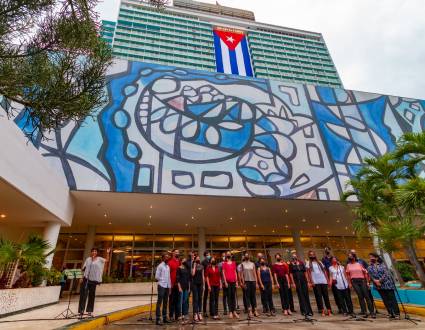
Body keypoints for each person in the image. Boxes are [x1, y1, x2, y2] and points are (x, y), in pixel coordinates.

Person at [367, 253, 400, 319]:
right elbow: (370, 275)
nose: (371, 258)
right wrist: (375, 281)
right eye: (370, 257)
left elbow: (386, 274)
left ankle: (396, 313)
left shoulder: (383, 265)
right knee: (385, 300)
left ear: (376, 258)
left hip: (387, 284)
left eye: (372, 257)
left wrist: (380, 281)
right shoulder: (370, 267)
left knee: (392, 299)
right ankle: (390, 313)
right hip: (378, 286)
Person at [78, 247, 108, 317]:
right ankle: (81, 311)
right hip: (86, 279)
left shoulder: (100, 259)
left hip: (93, 280)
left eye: (95, 251)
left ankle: (89, 311)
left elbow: (107, 260)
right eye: (93, 251)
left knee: (91, 296)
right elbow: (84, 268)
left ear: (97, 252)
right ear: (91, 252)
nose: (94, 252)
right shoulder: (88, 259)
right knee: (83, 296)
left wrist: (108, 253)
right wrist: (81, 277)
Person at [346, 251, 375, 318]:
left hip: (362, 281)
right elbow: (348, 275)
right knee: (360, 297)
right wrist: (349, 283)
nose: (350, 257)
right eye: (349, 256)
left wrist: (367, 282)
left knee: (367, 296)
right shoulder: (348, 265)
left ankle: (372, 312)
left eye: (351, 256)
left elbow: (365, 273)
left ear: (354, 257)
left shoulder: (359, 264)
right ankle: (364, 312)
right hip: (354, 282)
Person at [306, 250, 332, 316]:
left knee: (326, 296)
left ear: (315, 255)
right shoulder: (308, 263)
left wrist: (327, 280)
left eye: (313, 254)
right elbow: (308, 273)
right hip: (316, 282)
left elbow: (324, 271)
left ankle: (329, 310)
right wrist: (311, 281)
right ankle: (322, 310)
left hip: (323, 281)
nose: (312, 255)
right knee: (319, 296)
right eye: (311, 255)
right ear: (309, 256)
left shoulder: (319, 262)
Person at [289, 251, 313, 317]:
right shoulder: (291, 264)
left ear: (297, 256)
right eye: (293, 256)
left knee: (306, 295)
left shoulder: (301, 262)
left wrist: (308, 281)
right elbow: (290, 274)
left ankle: (309, 311)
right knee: (300, 296)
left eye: (295, 256)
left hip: (303, 280)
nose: (294, 257)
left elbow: (305, 272)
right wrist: (293, 282)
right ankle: (304, 311)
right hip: (297, 281)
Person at [322, 247, 342, 314]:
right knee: (335, 293)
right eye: (326, 250)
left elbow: (339, 265)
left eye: (328, 250)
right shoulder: (324, 259)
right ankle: (340, 308)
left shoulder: (334, 258)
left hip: (338, 276)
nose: (327, 251)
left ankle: (343, 307)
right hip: (331, 277)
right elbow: (324, 269)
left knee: (341, 293)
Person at [239, 253, 259, 317]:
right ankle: (249, 311)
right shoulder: (242, 264)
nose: (247, 256)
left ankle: (255, 310)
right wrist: (243, 282)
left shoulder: (252, 264)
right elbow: (241, 274)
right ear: (244, 257)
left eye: (248, 255)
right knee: (247, 297)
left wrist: (256, 282)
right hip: (246, 281)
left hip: (253, 281)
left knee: (253, 296)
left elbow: (254, 273)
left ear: (249, 256)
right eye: (246, 255)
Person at [155, 252, 172, 326]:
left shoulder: (168, 266)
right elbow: (156, 277)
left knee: (165, 302)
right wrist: (162, 280)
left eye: (168, 257)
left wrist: (170, 286)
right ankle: (158, 319)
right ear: (162, 258)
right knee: (159, 302)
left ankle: (165, 318)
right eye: (165, 257)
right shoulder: (160, 266)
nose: (167, 258)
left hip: (167, 286)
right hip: (161, 286)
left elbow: (169, 278)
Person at [222, 251, 239, 319]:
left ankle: (234, 311)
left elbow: (235, 272)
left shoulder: (234, 263)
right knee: (229, 297)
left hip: (233, 281)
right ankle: (230, 312)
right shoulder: (224, 263)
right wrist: (225, 282)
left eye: (229, 254)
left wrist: (237, 281)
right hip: (228, 282)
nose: (228, 255)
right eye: (227, 254)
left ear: (231, 256)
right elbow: (223, 273)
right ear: (226, 256)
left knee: (233, 296)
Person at [168, 249, 181, 321]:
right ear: (173, 253)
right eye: (176, 252)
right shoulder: (170, 262)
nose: (177, 253)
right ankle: (171, 316)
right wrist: (169, 286)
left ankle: (177, 315)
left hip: (178, 285)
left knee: (177, 301)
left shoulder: (179, 262)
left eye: (178, 252)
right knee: (171, 301)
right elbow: (168, 275)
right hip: (172, 285)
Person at [176, 258, 191, 324]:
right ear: (181, 261)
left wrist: (189, 288)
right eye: (183, 260)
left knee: (185, 301)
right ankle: (179, 315)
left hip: (186, 287)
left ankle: (184, 314)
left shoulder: (187, 269)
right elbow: (178, 279)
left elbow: (189, 279)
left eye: (185, 260)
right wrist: (179, 287)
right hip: (181, 287)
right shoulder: (179, 268)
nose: (185, 261)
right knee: (180, 301)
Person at [192, 254, 204, 322]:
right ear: (195, 259)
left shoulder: (202, 266)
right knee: (195, 299)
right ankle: (195, 313)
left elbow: (203, 276)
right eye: (197, 258)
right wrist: (194, 266)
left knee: (200, 298)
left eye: (199, 258)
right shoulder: (193, 266)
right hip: (194, 284)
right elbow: (193, 274)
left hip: (200, 284)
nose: (198, 259)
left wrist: (204, 285)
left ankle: (199, 312)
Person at [201, 251, 211, 317]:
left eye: (209, 254)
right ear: (205, 256)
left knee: (212, 296)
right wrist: (204, 282)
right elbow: (203, 272)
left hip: (212, 280)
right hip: (206, 280)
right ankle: (204, 311)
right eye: (207, 255)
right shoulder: (203, 262)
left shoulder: (211, 261)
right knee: (205, 296)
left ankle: (212, 310)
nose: (208, 256)